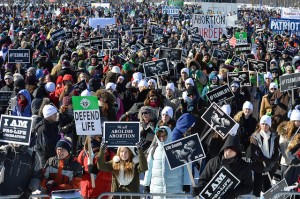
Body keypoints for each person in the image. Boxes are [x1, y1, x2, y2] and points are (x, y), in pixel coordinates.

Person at [144, 127, 191, 198]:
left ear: (169, 135)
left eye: (164, 135)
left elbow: (187, 167)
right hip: (158, 190)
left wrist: (187, 183)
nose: (162, 138)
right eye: (160, 136)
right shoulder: (153, 150)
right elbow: (149, 168)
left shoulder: (177, 148)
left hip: (175, 190)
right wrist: (146, 184)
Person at [250, 115, 280, 197]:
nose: (264, 126)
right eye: (262, 124)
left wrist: (270, 164)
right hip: (258, 165)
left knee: (267, 187)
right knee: (257, 187)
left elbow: (277, 151)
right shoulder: (255, 136)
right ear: (260, 124)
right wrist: (266, 160)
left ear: (269, 125)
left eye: (266, 124)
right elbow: (255, 153)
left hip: (270, 166)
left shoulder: (274, 136)